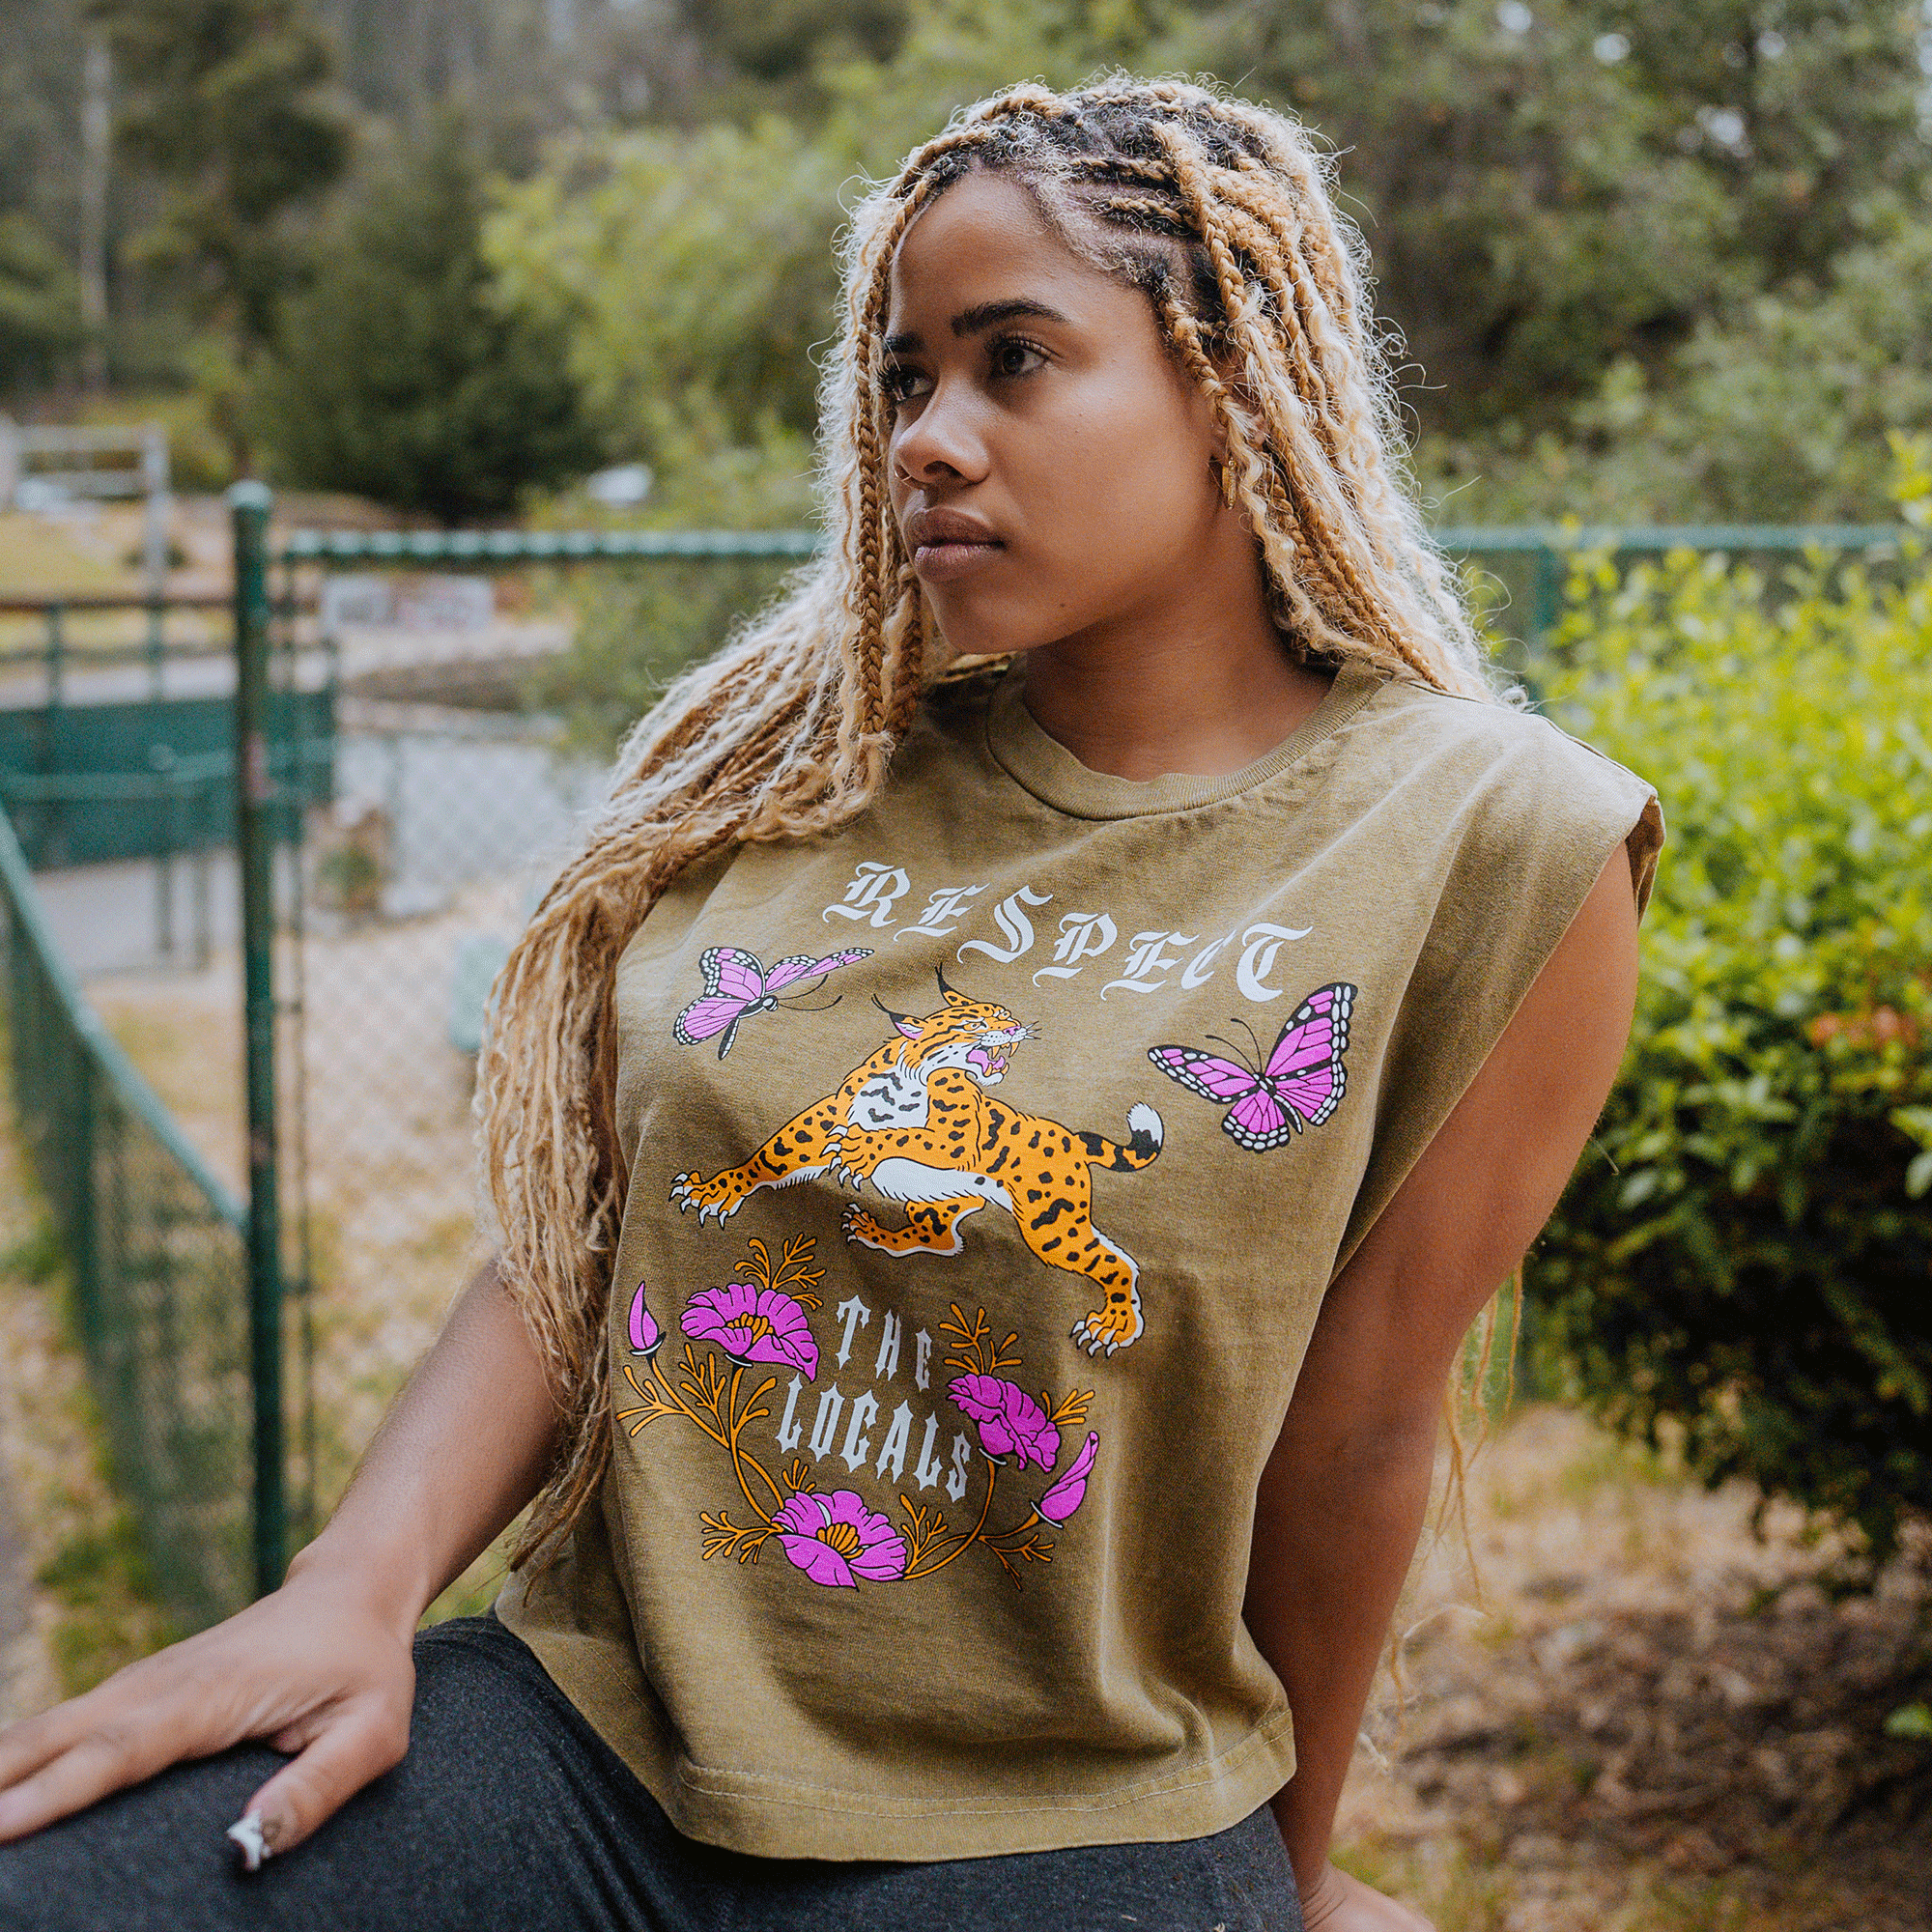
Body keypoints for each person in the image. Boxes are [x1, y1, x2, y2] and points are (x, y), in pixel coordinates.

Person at [0, 77, 1660, 1932]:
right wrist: (350, 1592)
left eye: (1014, 360)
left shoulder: (1496, 839)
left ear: (1234, 382)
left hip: (1071, 1814)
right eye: (900, 380)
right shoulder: (788, 772)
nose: (926, 441)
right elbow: (603, 1234)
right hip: (595, 1743)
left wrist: (1282, 1883)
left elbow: (1363, 1428)